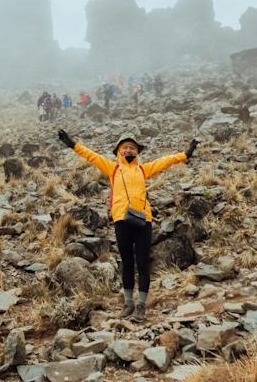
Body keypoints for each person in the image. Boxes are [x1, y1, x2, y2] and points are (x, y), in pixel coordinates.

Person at [57, 129, 199, 321]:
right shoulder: (113, 169)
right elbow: (91, 156)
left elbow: (165, 161)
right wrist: (72, 144)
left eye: (132, 148)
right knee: (126, 264)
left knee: (142, 263)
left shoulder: (143, 169)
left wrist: (186, 154)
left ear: (137, 152)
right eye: (125, 148)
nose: (129, 150)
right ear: (119, 152)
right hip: (121, 220)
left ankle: (141, 306)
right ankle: (128, 304)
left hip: (143, 220)